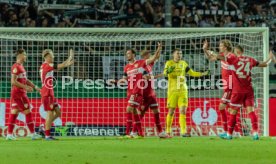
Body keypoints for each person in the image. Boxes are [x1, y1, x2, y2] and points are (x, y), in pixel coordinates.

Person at [212, 45, 271, 140]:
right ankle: (255, 133)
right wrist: (270, 57)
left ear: (237, 52)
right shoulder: (250, 60)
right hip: (249, 90)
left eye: (234, 52)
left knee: (232, 112)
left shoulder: (234, 59)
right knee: (251, 111)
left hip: (237, 91)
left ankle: (229, 134)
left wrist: (211, 52)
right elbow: (264, 64)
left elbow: (220, 57)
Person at [164, 49, 209, 137]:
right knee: (171, 111)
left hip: (183, 91)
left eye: (180, 53)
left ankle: (183, 132)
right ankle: (168, 131)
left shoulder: (184, 63)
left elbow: (191, 73)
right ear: (173, 54)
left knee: (183, 111)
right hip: (172, 91)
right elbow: (165, 73)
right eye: (177, 53)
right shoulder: (169, 63)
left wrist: (202, 74)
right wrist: (168, 71)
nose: (179, 55)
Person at [120, 43, 161, 138]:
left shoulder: (141, 63)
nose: (127, 55)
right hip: (129, 91)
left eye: (129, 53)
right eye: (126, 54)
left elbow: (154, 58)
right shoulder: (126, 67)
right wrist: (115, 81)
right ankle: (140, 133)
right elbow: (124, 79)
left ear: (134, 54)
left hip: (138, 90)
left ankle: (127, 133)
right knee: (134, 111)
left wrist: (158, 48)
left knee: (129, 109)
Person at [203, 39, 242, 136]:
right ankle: (236, 132)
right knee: (230, 110)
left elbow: (219, 57)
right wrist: (205, 50)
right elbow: (211, 58)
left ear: (225, 47)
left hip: (231, 86)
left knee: (221, 107)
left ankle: (227, 131)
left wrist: (209, 50)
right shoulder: (222, 55)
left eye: (220, 45)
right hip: (227, 86)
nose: (219, 47)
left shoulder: (231, 56)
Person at [131, 48, 170, 138]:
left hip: (151, 93)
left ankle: (160, 132)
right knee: (142, 112)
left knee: (156, 111)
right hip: (144, 93)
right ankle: (134, 131)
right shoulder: (142, 66)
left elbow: (156, 57)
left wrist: (159, 49)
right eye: (149, 55)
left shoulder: (149, 65)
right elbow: (148, 78)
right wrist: (161, 75)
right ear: (145, 56)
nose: (151, 57)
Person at [6, 49, 42, 140]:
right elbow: (13, 81)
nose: (26, 56)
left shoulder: (21, 66)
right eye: (24, 54)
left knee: (14, 112)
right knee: (28, 112)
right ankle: (33, 133)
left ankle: (9, 134)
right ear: (20, 55)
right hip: (19, 94)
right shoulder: (16, 66)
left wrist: (35, 87)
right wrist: (25, 87)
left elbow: (25, 80)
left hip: (17, 94)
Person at [40, 49, 74, 140]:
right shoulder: (47, 65)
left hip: (50, 93)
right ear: (46, 57)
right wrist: (70, 57)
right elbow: (61, 65)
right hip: (47, 93)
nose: (53, 57)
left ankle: (44, 127)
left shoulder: (47, 66)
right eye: (51, 56)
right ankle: (47, 135)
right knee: (50, 113)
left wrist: (67, 63)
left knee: (58, 112)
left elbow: (60, 67)